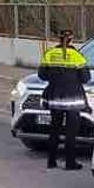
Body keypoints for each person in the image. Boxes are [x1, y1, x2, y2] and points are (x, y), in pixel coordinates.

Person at [38, 27, 90, 170]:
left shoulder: (49, 54)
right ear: (72, 39)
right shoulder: (77, 56)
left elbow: (42, 75)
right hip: (73, 100)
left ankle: (51, 161)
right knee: (70, 133)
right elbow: (86, 78)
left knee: (54, 130)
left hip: (55, 99)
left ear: (59, 39)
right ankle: (70, 163)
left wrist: (56, 77)